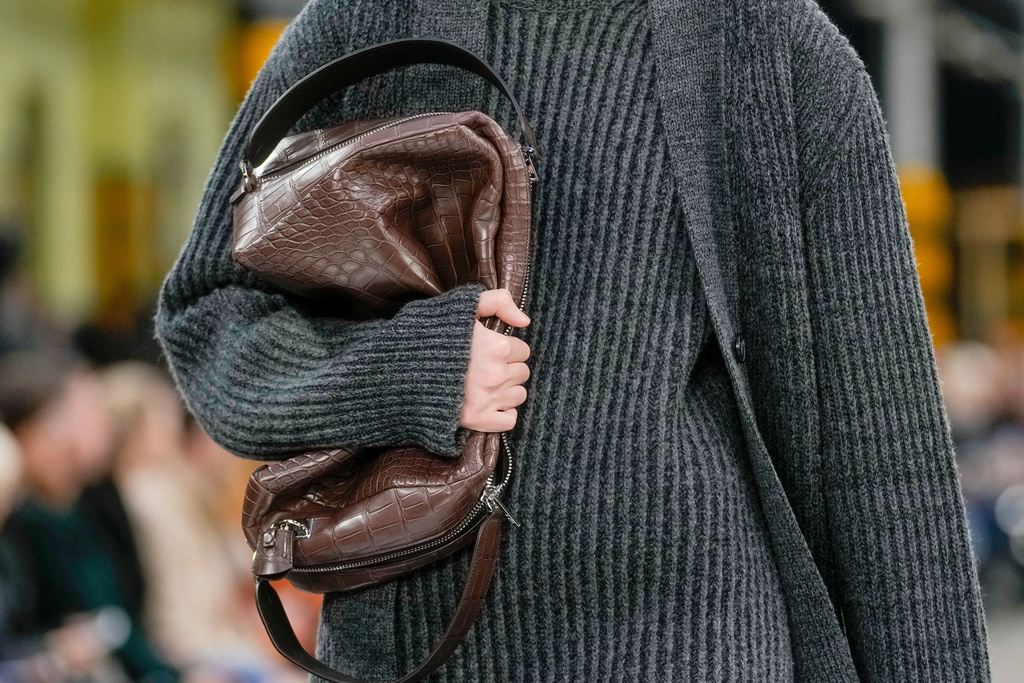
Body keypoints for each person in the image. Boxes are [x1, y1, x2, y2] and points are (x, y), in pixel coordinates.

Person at [154, 0, 991, 680]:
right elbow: (207, 310)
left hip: (697, 639)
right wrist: (411, 370)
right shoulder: (372, 21)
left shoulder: (776, 54)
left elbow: (885, 456)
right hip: (419, 636)